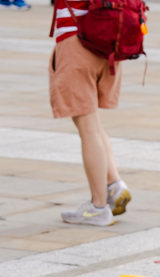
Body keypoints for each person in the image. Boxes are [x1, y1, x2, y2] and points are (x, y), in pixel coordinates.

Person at [50, 0, 132, 227]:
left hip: (76, 43)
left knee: (87, 127)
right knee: (92, 124)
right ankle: (113, 184)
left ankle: (98, 206)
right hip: (106, 44)